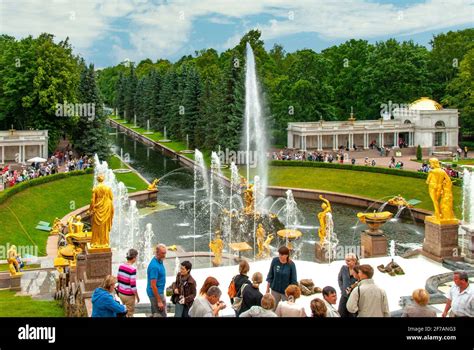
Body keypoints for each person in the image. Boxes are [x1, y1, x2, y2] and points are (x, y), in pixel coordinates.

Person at [117, 249, 139, 317]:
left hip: (121, 294)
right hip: (129, 296)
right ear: (134, 258)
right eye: (136, 257)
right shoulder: (132, 269)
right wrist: (137, 297)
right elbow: (133, 286)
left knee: (124, 312)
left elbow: (118, 279)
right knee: (129, 314)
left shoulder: (121, 266)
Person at [147, 244, 167, 317]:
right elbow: (153, 285)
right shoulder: (154, 266)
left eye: (165, 253)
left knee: (156, 314)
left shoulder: (159, 260)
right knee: (161, 315)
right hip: (156, 293)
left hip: (158, 292)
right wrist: (159, 301)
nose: (164, 255)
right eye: (163, 253)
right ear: (157, 252)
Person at [338, 253, 359, 317]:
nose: (346, 262)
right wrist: (342, 288)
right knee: (341, 312)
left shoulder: (359, 269)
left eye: (348, 261)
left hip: (354, 296)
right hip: (344, 295)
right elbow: (340, 279)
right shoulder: (343, 268)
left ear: (354, 261)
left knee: (352, 314)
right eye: (346, 260)